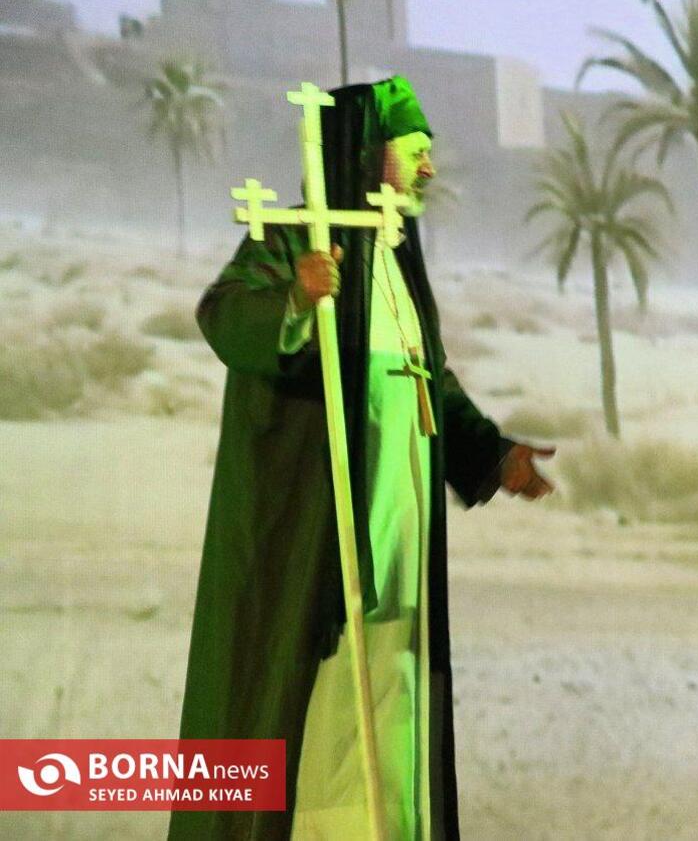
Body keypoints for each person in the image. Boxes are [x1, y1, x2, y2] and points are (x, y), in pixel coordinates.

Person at [170, 76, 554, 840]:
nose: (429, 168)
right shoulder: (295, 236)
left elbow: (426, 378)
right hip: (319, 538)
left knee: (392, 683)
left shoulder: (397, 260)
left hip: (400, 541)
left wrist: (492, 454)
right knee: (313, 695)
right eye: (415, 151)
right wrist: (296, 300)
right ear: (370, 152)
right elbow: (224, 313)